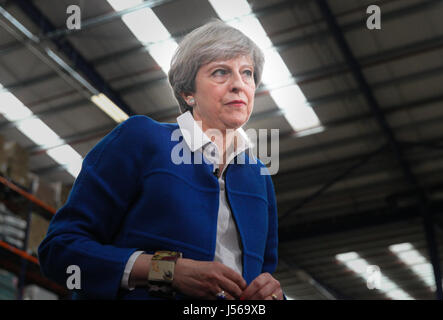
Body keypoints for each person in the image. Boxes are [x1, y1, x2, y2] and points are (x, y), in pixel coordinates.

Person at [38, 19, 284, 300]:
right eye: (220, 72)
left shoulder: (259, 176)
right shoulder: (141, 139)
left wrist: (272, 295)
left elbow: (266, 274)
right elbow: (60, 251)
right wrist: (168, 271)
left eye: (247, 73)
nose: (239, 85)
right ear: (187, 93)